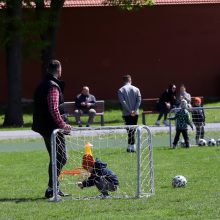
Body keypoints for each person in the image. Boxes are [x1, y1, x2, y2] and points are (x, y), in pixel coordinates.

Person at [32, 60, 72, 199]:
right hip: (52, 128)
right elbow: (54, 108)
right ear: (59, 70)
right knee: (61, 157)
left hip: (44, 127)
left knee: (56, 157)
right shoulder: (52, 86)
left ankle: (54, 188)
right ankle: (51, 189)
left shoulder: (42, 84)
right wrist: (62, 125)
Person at [118, 75, 141, 153]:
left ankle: (131, 147)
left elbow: (123, 102)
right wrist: (134, 110)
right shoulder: (136, 89)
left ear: (123, 81)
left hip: (126, 113)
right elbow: (139, 100)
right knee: (133, 130)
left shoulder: (121, 90)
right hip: (135, 113)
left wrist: (129, 110)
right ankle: (132, 146)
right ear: (130, 80)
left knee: (129, 130)